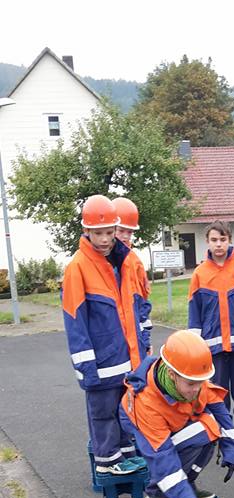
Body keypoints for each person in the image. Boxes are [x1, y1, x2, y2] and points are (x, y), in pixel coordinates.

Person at [62, 195, 151, 476]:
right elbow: (76, 324)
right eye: (98, 233)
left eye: (109, 232)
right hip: (101, 363)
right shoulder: (77, 268)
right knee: (102, 414)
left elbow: (134, 311)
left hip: (125, 359)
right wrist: (86, 368)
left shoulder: (121, 263)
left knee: (124, 412)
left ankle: (124, 457)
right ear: (86, 232)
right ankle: (108, 461)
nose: (104, 239)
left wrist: (141, 353)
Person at [119, 330, 234, 498]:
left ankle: (186, 483)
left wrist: (232, 449)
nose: (197, 389)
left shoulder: (193, 378)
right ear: (171, 374)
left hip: (175, 417)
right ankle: (155, 492)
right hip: (140, 422)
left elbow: (221, 414)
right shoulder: (147, 403)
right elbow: (161, 453)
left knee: (210, 426)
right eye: (192, 384)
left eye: (201, 383)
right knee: (178, 446)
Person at [188, 220, 234, 439]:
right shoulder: (200, 274)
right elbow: (195, 311)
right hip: (213, 345)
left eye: (223, 239)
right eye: (214, 240)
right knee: (216, 387)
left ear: (230, 240)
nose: (218, 244)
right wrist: (194, 343)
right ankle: (221, 424)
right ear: (207, 242)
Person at [112, 197, 152, 354]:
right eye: (121, 231)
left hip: (134, 338)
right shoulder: (99, 262)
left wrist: (146, 340)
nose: (125, 236)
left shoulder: (134, 262)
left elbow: (142, 304)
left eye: (129, 232)